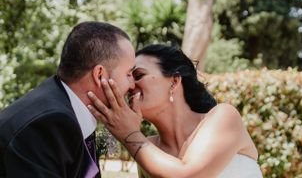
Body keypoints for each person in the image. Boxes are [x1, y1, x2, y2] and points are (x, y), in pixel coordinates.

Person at [87, 44, 263, 178]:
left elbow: (188, 174)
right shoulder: (148, 148)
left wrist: (128, 133)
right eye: (128, 78)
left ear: (174, 82)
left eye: (139, 75)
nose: (131, 85)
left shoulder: (224, 116)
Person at [0, 21, 136, 177]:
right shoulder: (49, 123)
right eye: (129, 74)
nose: (133, 85)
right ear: (100, 75)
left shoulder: (64, 107)